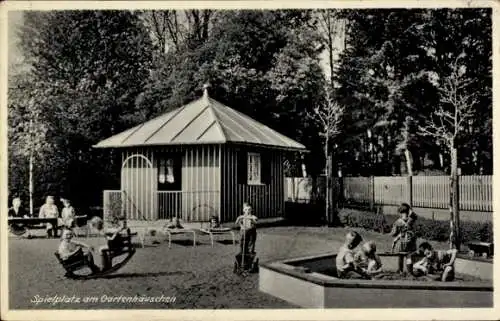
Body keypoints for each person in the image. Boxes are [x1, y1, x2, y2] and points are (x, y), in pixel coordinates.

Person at [391, 203, 418, 273]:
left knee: (400, 255)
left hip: (402, 241)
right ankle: (410, 272)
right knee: (409, 256)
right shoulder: (411, 220)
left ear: (400, 213)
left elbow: (394, 233)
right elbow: (414, 215)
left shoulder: (398, 222)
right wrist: (410, 210)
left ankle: (400, 270)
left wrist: (394, 233)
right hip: (410, 241)